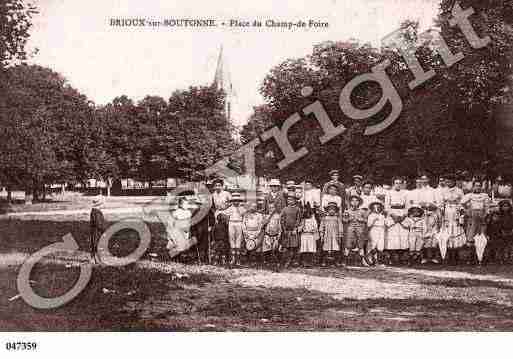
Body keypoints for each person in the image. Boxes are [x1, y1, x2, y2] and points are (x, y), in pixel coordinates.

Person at [441, 175, 466, 264]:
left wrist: (461, 216)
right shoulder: (443, 191)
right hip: (447, 213)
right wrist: (442, 213)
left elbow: (463, 203)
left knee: (456, 232)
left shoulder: (459, 191)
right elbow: (441, 203)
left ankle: (456, 256)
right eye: (447, 182)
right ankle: (448, 255)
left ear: (454, 182)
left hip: (456, 212)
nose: (449, 183)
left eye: (450, 181)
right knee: (447, 233)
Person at [385, 177, 410, 264]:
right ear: (393, 184)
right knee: (393, 235)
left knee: (403, 235)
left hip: (402, 213)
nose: (398, 185)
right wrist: (393, 215)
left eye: (400, 183)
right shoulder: (389, 193)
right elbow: (386, 206)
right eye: (396, 183)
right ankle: (392, 257)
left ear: (402, 184)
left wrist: (403, 216)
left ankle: (402, 257)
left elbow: (408, 206)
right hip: (392, 214)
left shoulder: (406, 193)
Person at [461, 181, 490, 246]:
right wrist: (467, 210)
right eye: (476, 186)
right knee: (472, 230)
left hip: (481, 215)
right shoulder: (469, 195)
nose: (478, 187)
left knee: (482, 231)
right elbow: (462, 203)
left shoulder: (484, 195)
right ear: (473, 187)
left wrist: (486, 214)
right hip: (472, 215)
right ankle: (471, 246)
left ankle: (481, 248)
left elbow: (487, 206)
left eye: (479, 186)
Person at [342, 195, 368, 266]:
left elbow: (366, 220)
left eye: (356, 201)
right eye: (353, 201)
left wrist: (361, 220)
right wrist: (348, 219)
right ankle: (345, 260)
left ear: (359, 202)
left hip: (359, 229)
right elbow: (344, 220)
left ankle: (362, 260)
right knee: (348, 244)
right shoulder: (347, 211)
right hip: (350, 229)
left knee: (360, 245)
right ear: (350, 202)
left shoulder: (362, 211)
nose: (355, 202)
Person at [280, 194, 302, 268]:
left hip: (293, 231)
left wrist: (295, 228)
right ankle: (285, 261)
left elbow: (298, 219)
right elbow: (282, 219)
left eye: (291, 200)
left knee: (294, 246)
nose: (290, 201)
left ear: (295, 201)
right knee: (286, 246)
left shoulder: (297, 209)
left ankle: (293, 261)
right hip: (286, 231)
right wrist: (284, 229)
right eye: (288, 200)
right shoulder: (285, 209)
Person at [319, 201, 344, 267]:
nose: (332, 211)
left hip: (335, 235)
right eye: (330, 209)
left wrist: (340, 234)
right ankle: (324, 261)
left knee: (335, 248)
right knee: (326, 248)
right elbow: (322, 226)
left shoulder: (337, 218)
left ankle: (336, 261)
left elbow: (340, 227)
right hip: (327, 235)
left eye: (333, 210)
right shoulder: (324, 218)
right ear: (327, 210)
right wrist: (321, 234)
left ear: (336, 211)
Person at [224, 192, 246, 266]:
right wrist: (227, 221)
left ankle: (238, 258)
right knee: (232, 239)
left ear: (239, 201)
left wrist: (240, 208)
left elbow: (244, 215)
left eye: (237, 200)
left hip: (239, 223)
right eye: (234, 200)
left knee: (239, 239)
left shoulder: (242, 208)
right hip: (231, 223)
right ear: (232, 201)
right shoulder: (230, 208)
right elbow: (225, 215)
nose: (236, 202)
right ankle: (233, 258)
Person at [367, 201, 387, 266]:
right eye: (375, 207)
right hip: (374, 230)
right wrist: (374, 220)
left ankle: (378, 261)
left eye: (378, 207)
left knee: (380, 246)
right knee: (373, 245)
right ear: (372, 208)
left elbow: (385, 224)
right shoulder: (371, 215)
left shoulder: (382, 216)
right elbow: (369, 225)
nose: (376, 209)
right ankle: (370, 259)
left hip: (381, 230)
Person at [90, 194, 106, 264]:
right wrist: (104, 230)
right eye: (103, 204)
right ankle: (96, 259)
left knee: (95, 244)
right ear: (99, 204)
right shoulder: (97, 212)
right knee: (97, 244)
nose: (104, 205)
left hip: (95, 231)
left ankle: (94, 258)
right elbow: (99, 224)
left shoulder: (94, 211)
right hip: (97, 231)